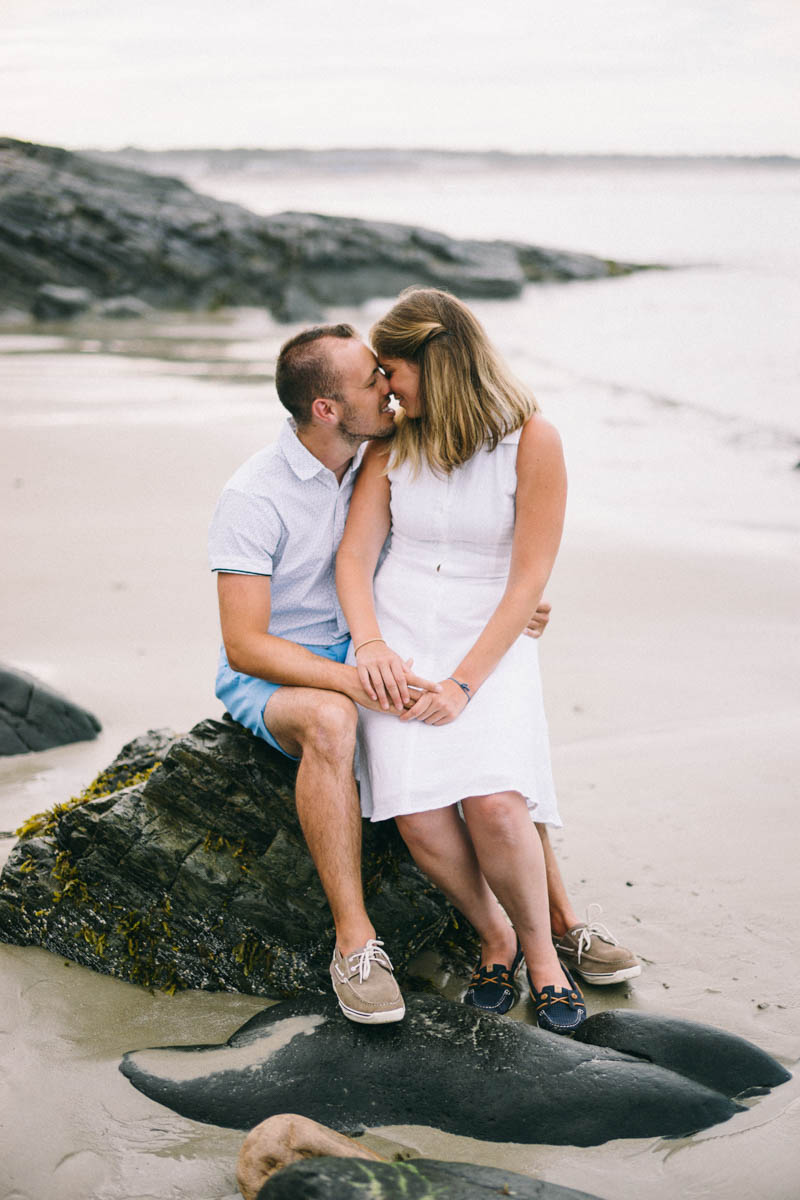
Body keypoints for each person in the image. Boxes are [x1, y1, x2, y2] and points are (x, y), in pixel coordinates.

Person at [209, 320, 639, 1027]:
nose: (388, 387)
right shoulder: (256, 496)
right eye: (373, 379)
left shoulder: (378, 448)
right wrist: (356, 676)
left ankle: (557, 923)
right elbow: (244, 645)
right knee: (334, 719)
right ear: (327, 408)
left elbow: (429, 544)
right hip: (285, 672)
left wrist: (513, 600)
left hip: (382, 645)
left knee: (491, 775)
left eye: (387, 372)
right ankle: (357, 943)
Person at [336, 288, 638, 1034]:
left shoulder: (533, 440)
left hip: (491, 643)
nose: (386, 386)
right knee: (419, 817)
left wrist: (466, 683)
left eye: (393, 370)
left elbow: (529, 578)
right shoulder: (391, 445)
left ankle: (542, 953)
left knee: (498, 805)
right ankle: (492, 935)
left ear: (433, 365)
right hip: (399, 637)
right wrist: (371, 644)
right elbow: (354, 559)